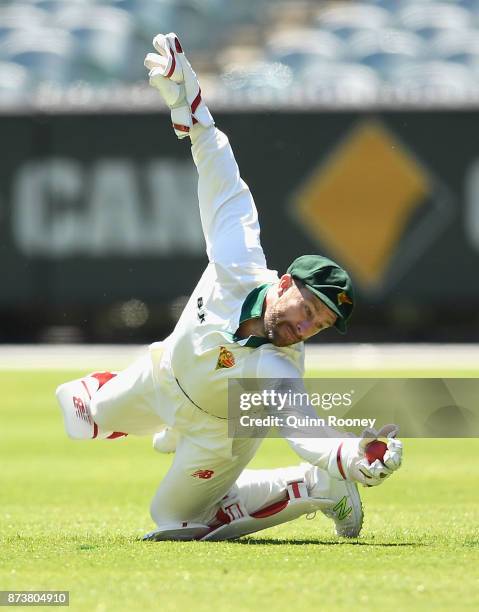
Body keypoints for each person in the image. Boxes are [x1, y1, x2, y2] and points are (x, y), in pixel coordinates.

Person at [56, 33, 403, 542]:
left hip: (218, 432)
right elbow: (219, 168)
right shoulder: (238, 260)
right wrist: (186, 99)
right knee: (75, 409)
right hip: (161, 374)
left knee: (172, 522)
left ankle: (319, 488)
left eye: (319, 325)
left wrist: (349, 455)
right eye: (306, 307)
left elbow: (303, 428)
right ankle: (153, 424)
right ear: (284, 283)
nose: (303, 327)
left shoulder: (275, 366)